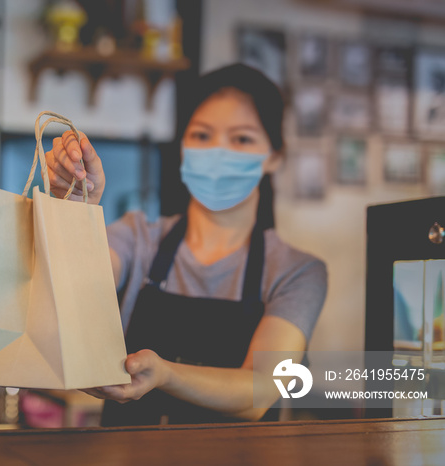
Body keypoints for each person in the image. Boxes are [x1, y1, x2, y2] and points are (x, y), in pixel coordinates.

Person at [44, 63, 328, 426]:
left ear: (274, 156)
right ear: (183, 148)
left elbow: (259, 391)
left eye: (241, 139)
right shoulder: (138, 238)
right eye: (202, 135)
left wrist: (166, 375)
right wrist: (74, 210)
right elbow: (74, 283)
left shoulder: (297, 271)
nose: (217, 154)